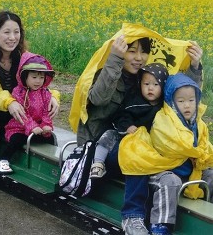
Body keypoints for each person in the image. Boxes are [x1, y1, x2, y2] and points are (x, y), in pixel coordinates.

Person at [68, 23, 203, 235]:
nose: (138, 57)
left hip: (138, 145)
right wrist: (114, 59)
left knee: (174, 159)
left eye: (144, 52)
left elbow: (181, 96)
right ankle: (132, 218)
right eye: (132, 51)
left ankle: (162, 219)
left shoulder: (148, 79)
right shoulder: (107, 72)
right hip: (102, 147)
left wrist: (194, 67)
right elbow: (99, 98)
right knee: (136, 152)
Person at [0, 11, 60, 164]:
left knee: (38, 112)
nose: (12, 38)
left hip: (17, 108)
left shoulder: (24, 58)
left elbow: (37, 82)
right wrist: (9, 102)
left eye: (16, 32)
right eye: (6, 32)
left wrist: (53, 96)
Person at [119, 73, 213, 234]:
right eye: (181, 101)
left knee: (211, 175)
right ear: (171, 103)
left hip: (189, 170)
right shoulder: (162, 120)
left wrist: (202, 156)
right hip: (162, 169)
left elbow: (205, 147)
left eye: (191, 100)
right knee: (170, 181)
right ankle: (161, 225)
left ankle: (207, 215)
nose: (187, 106)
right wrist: (193, 151)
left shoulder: (198, 124)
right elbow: (170, 146)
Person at [90, 63, 169, 179]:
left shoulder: (164, 107)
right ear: (140, 84)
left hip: (147, 145)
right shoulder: (134, 101)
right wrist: (128, 126)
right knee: (108, 135)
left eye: (156, 84)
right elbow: (121, 115)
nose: (150, 88)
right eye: (146, 84)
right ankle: (98, 163)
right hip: (128, 138)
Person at [0, 52, 56, 173]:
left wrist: (46, 124)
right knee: (16, 140)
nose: (38, 81)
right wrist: (32, 126)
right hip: (19, 127)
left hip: (38, 128)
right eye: (34, 77)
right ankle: (3, 160)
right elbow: (22, 114)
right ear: (25, 77)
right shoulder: (18, 92)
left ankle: (52, 166)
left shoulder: (45, 92)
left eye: (41, 78)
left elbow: (46, 111)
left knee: (50, 139)